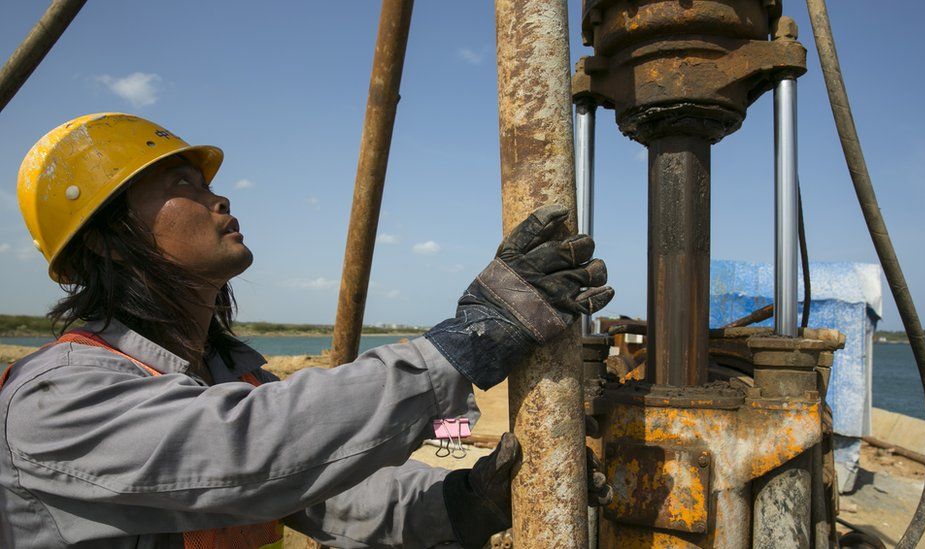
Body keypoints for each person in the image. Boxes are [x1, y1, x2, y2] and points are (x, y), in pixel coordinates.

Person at [0, 113, 614, 548]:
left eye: (207, 181)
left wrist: (468, 501)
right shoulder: (56, 398)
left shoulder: (219, 373)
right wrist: (473, 339)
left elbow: (326, 494)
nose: (218, 199)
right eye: (181, 186)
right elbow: (248, 451)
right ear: (108, 242)